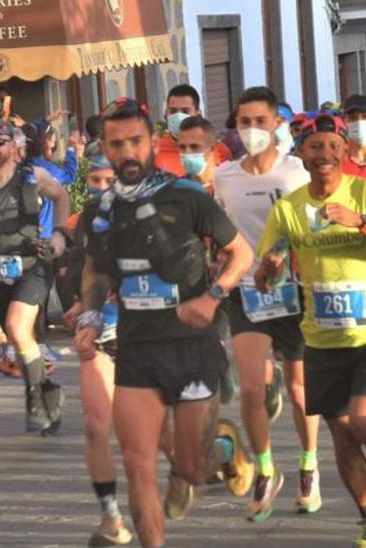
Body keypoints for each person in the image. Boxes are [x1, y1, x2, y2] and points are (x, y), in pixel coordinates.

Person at [74, 97, 253, 548]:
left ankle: (224, 449)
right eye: (116, 144)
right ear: (105, 148)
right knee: (137, 463)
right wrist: (91, 317)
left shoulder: (186, 196)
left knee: (191, 469)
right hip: (136, 348)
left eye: (135, 140)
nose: (127, 152)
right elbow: (95, 271)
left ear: (152, 142)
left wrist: (213, 298)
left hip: (192, 345)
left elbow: (241, 255)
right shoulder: (101, 209)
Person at [253, 112, 366, 547]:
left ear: (344, 151)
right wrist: (268, 269)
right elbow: (267, 278)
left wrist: (361, 222)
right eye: (314, 147)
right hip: (320, 336)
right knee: (340, 432)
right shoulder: (289, 209)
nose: (324, 155)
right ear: (300, 153)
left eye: (331, 146)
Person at [213, 86, 321, 520]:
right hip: (247, 293)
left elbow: (314, 229)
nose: (252, 130)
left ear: (278, 123)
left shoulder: (296, 173)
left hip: (294, 292)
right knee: (252, 390)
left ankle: (309, 465)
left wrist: (286, 255)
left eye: (260, 121)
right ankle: (263, 468)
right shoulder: (225, 176)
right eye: (244, 123)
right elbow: (219, 229)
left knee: (298, 391)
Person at [0, 118, 71, 434]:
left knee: (15, 327)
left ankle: (35, 400)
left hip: (32, 265)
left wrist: (59, 236)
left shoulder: (32, 177)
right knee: (20, 339)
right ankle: (48, 393)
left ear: (13, 146)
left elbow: (62, 197)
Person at [58, 154, 135, 546]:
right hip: (102, 335)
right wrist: (82, 306)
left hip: (145, 336)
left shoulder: (148, 212)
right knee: (94, 425)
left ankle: (220, 452)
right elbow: (83, 270)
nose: (102, 187)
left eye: (110, 179)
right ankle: (112, 518)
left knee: (167, 445)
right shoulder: (90, 215)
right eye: (95, 180)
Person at [156, 84, 234, 177]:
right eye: (173, 111)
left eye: (185, 111)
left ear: (198, 113)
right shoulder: (155, 150)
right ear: (166, 113)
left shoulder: (219, 150)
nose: (178, 116)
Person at [176, 116, 222, 190]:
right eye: (182, 147)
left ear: (212, 147)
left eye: (194, 147)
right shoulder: (175, 190)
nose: (187, 153)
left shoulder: (227, 185)